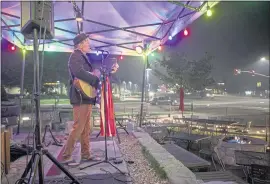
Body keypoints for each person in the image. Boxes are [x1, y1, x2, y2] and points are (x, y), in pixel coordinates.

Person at [62, 33, 118, 165]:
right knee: (78, 127)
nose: (89, 44)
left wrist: (108, 72)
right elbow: (79, 72)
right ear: (80, 44)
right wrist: (95, 79)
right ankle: (66, 156)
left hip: (85, 97)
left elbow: (93, 74)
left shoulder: (82, 56)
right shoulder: (75, 56)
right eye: (87, 42)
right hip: (80, 96)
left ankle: (86, 154)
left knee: (86, 129)